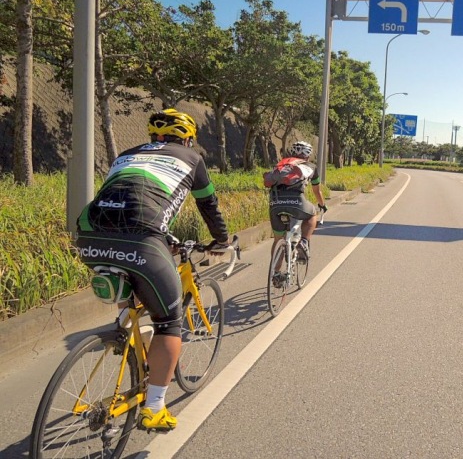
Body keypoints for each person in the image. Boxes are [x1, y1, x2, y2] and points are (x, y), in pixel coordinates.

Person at [75, 108, 230, 432]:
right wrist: (221, 240)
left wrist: (164, 236)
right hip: (142, 239)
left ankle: (126, 328)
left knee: (132, 282)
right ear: (187, 138)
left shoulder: (127, 156)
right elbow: (208, 205)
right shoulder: (192, 157)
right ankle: (155, 407)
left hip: (89, 236)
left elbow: (127, 198)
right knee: (169, 324)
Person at [268, 141, 327, 265]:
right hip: (296, 202)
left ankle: (276, 274)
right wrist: (322, 205)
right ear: (308, 154)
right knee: (312, 215)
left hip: (275, 203)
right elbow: (317, 191)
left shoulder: (281, 164)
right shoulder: (311, 166)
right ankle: (304, 242)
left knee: (278, 239)